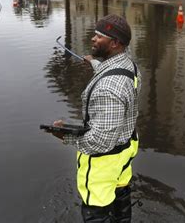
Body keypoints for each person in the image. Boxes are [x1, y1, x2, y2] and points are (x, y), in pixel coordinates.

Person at [51, 14, 142, 222]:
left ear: (115, 43)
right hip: (125, 150)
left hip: (104, 162)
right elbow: (112, 72)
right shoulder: (130, 67)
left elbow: (101, 141)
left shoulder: (108, 89)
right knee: (120, 196)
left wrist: (65, 137)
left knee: (96, 209)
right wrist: (93, 62)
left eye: (100, 36)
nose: (93, 39)